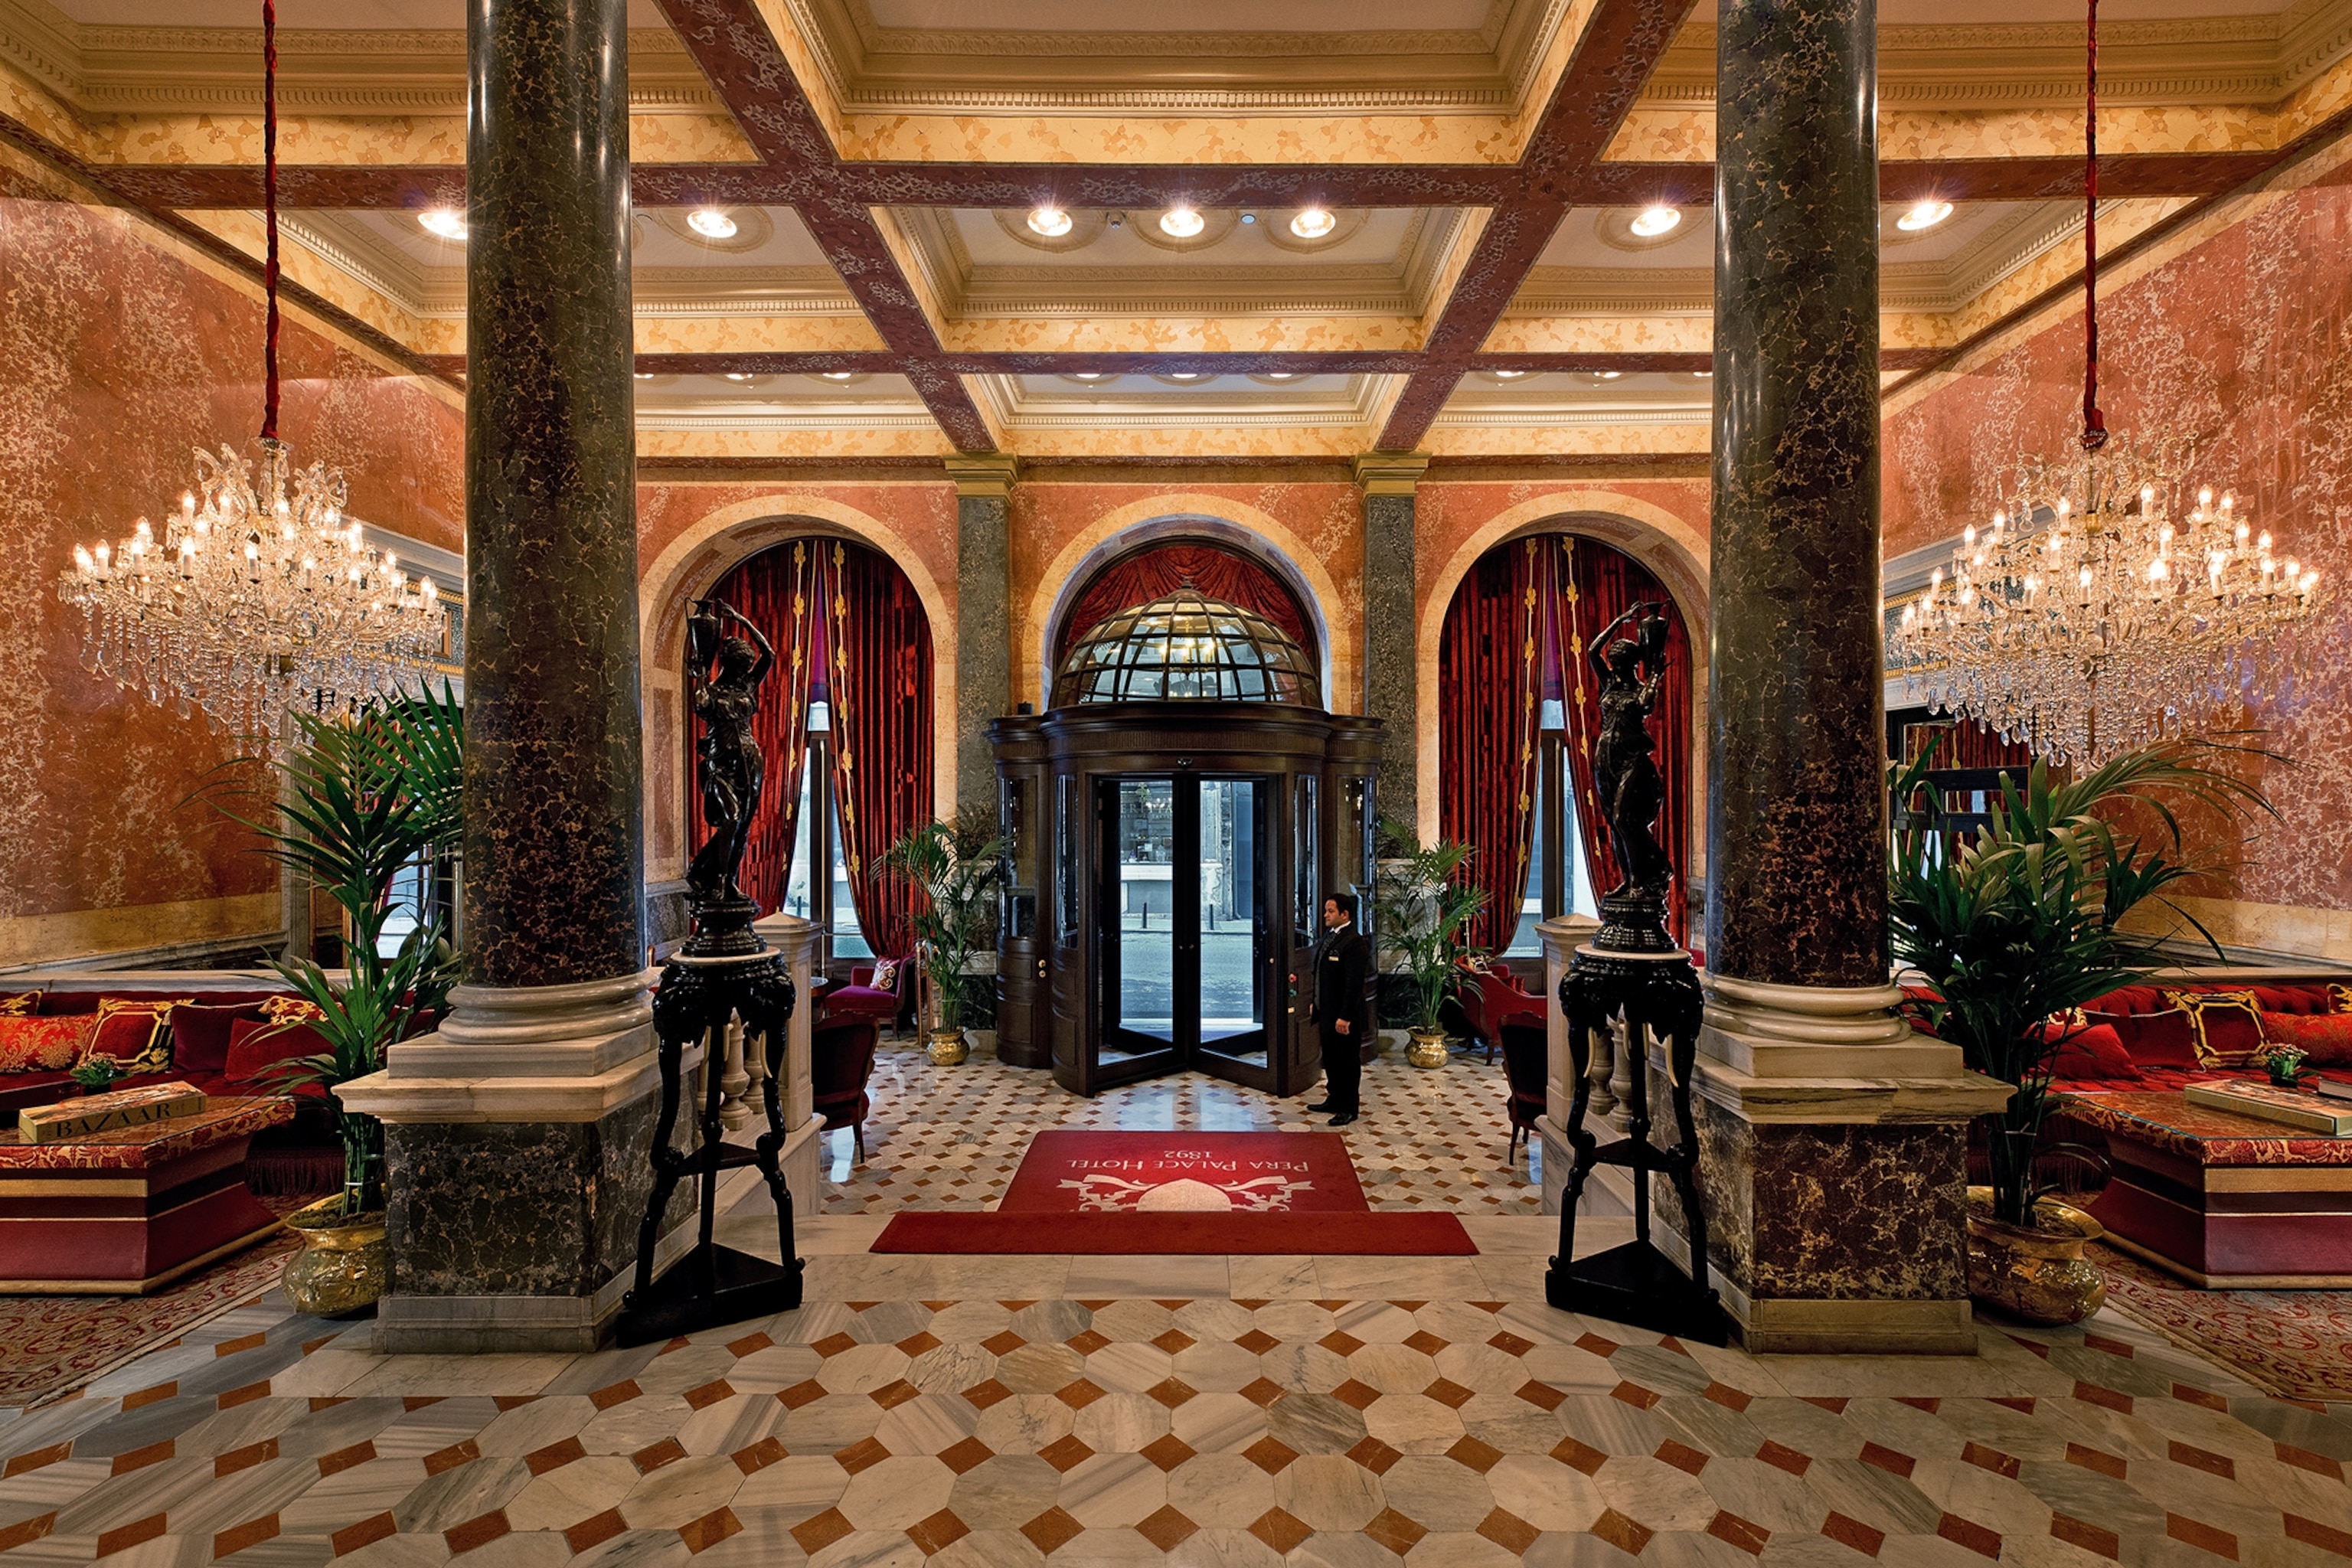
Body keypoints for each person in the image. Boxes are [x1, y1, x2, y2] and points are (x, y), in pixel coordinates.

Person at [1307, 890, 1374, 1126]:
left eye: (1330, 911)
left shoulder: (1354, 943)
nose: (1325, 915)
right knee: (1332, 1059)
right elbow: (1321, 975)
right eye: (1326, 910)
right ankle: (1334, 1099)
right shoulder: (1330, 936)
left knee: (1346, 1062)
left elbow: (1353, 985)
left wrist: (1345, 1017)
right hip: (1326, 1012)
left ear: (1345, 914)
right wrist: (1315, 1003)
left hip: (1344, 1017)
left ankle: (1348, 1108)